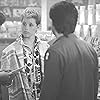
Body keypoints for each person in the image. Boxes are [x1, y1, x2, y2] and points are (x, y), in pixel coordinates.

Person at [39, 1, 98, 100]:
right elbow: (94, 88)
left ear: (54, 22)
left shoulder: (55, 51)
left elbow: (48, 93)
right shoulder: (90, 49)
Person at [0, 6, 42, 100]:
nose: (26, 28)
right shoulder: (8, 52)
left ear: (37, 27)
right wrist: (6, 78)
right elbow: (4, 85)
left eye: (30, 25)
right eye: (24, 24)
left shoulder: (45, 48)